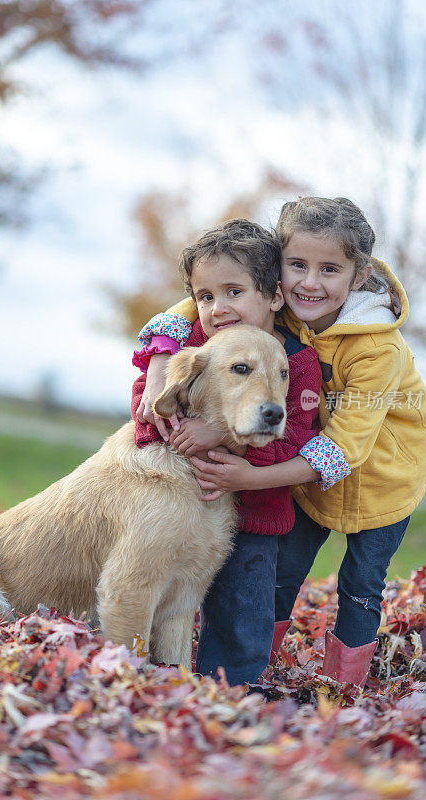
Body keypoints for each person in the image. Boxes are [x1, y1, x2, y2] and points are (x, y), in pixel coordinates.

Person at [135, 197, 426, 687]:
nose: (310, 282)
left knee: (361, 586)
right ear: (277, 277)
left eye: (330, 269)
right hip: (304, 476)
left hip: (382, 480)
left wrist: (251, 475)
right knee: (279, 574)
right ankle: (253, 673)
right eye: (298, 265)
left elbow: (343, 450)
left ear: (359, 276)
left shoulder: (376, 348)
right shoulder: (286, 308)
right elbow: (198, 297)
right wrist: (160, 365)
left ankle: (345, 690)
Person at [131, 218, 323, 685]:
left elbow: (296, 437)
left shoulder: (296, 363)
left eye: (234, 292)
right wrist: (162, 407)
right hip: (187, 506)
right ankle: (161, 686)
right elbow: (146, 408)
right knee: (167, 603)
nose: (219, 308)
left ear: (275, 296)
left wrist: (219, 437)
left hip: (256, 515)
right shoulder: (195, 345)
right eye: (207, 297)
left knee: (243, 616)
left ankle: (231, 699)